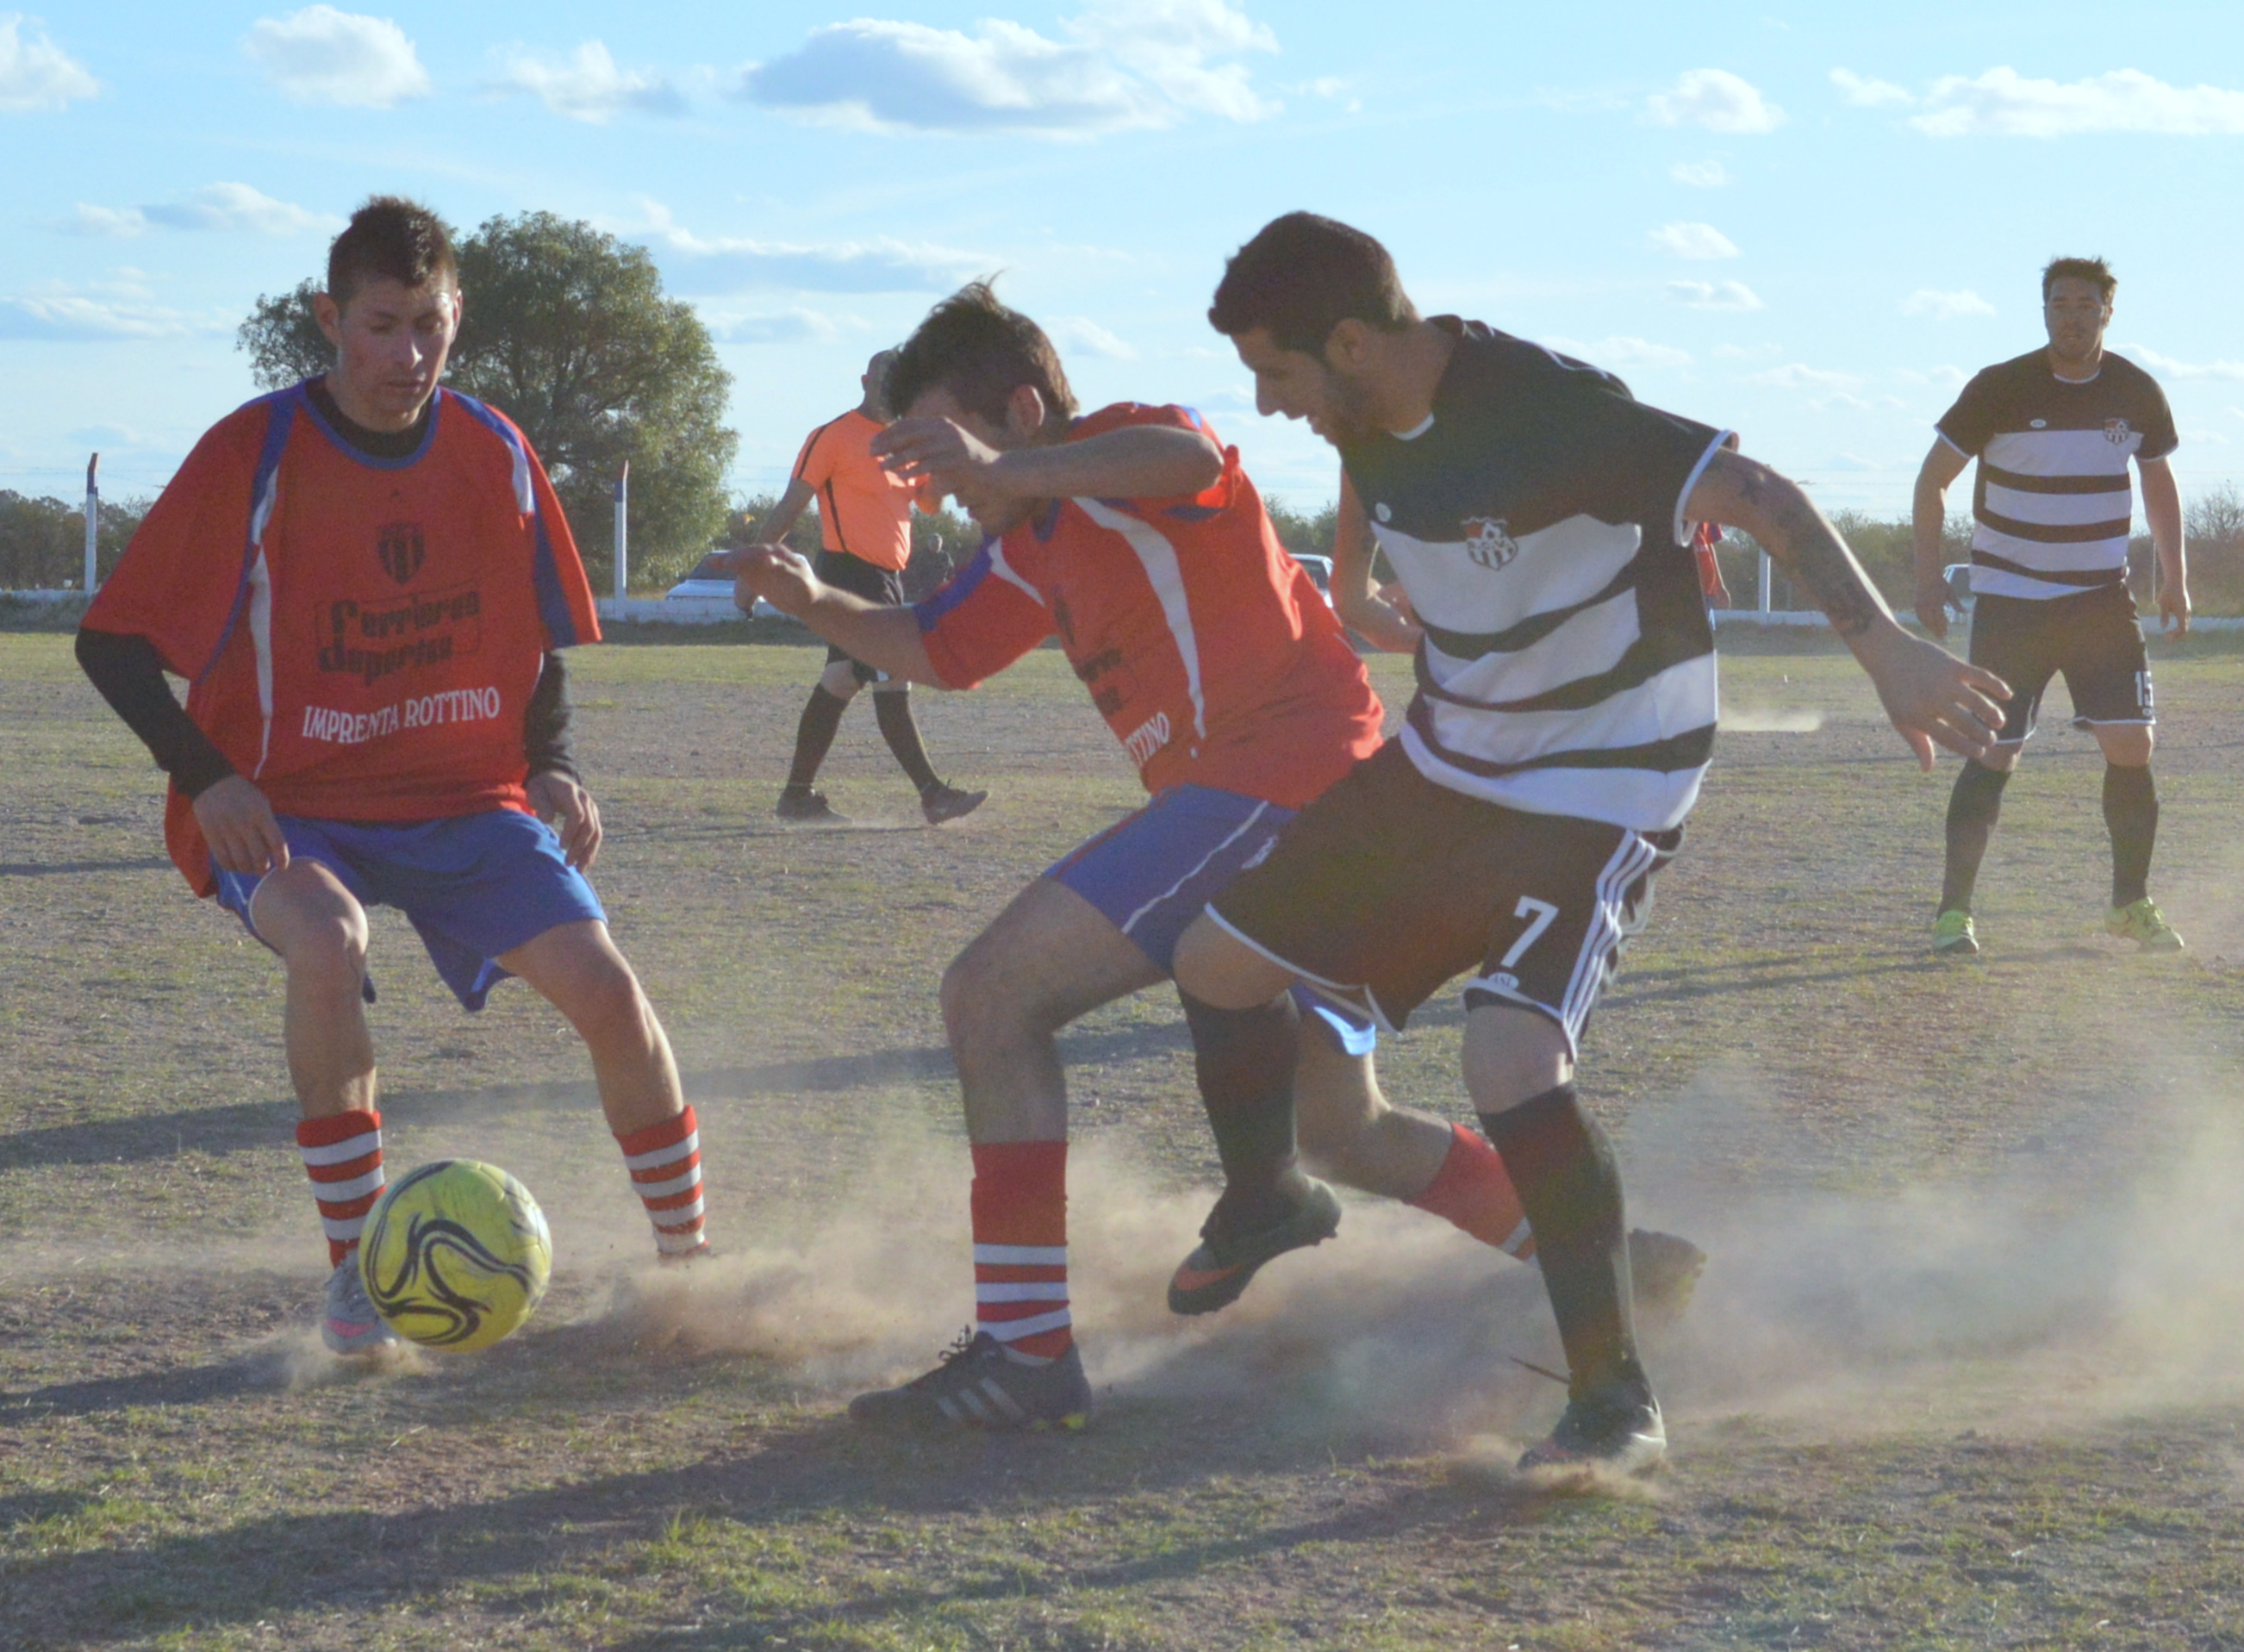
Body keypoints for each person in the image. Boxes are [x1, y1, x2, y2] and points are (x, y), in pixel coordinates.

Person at [725, 282, 1702, 1434]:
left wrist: (1008, 465)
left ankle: (1026, 1354)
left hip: (1280, 783)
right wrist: (815, 600)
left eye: (941, 446)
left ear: (1023, 412)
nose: (932, 479)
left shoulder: (1121, 453)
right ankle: (1605, 1258)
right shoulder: (1028, 542)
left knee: (992, 995)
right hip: (1311, 805)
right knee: (1343, 1130)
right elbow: (935, 652)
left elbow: (1182, 461)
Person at [1164, 213, 2009, 1473]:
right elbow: (1377, 470)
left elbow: (1761, 493)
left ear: (1351, 340)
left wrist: (1882, 644)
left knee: (1510, 1059)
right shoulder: (1365, 414)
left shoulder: (1550, 409)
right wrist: (1351, 590)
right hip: (1453, 756)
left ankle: (1616, 1398)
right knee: (1216, 965)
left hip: (1603, 779)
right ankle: (1269, 1196)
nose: (1266, 403)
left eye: (1276, 373)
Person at [76, 197, 708, 1356]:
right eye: (380, 324)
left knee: (611, 995)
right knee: (329, 943)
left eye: (430, 325)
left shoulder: (497, 451)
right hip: (291, 803)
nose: (406, 355)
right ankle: (359, 1271)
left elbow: (534, 639)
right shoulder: (254, 452)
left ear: (457, 319)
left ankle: (691, 1264)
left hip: (468, 797)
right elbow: (109, 643)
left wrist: (554, 764)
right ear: (330, 320)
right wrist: (208, 777)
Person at [1912, 256, 2189, 957]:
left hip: (2100, 603)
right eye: (2059, 304)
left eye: (2085, 304)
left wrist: (2172, 576)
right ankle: (1954, 913)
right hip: (2012, 604)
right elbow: (1931, 481)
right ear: (2043, 312)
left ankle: (2129, 905)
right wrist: (1924, 576)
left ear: (2106, 313)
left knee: (2132, 745)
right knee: (1993, 753)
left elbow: (2157, 484)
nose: (2072, 316)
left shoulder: (2134, 390)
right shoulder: (1998, 388)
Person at [751, 349, 987, 827]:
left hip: (886, 578)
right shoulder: (833, 436)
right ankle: (932, 794)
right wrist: (755, 564)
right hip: (848, 574)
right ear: (864, 380)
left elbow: (929, 501)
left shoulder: (903, 443)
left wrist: (946, 471)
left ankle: (796, 797)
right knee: (892, 679)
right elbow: (792, 504)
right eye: (882, 378)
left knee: (841, 680)